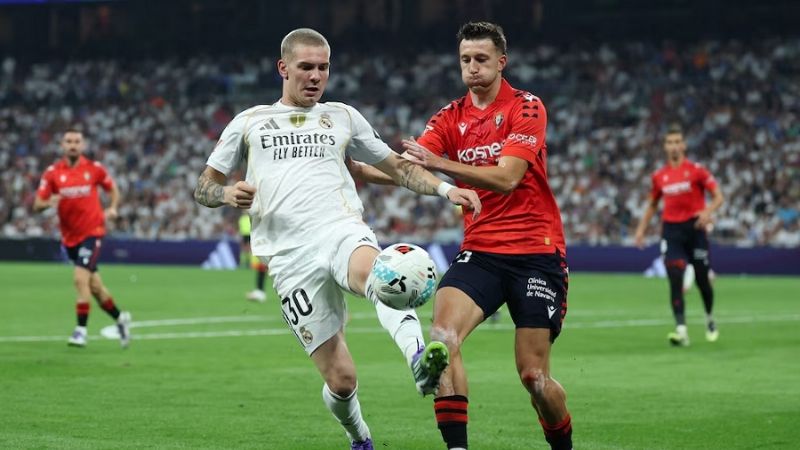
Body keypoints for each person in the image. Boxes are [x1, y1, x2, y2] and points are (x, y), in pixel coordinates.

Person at [193, 28, 482, 450]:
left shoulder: (342, 116)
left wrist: (444, 189)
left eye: (323, 67)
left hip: (340, 229)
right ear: (283, 68)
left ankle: (420, 359)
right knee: (342, 380)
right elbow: (203, 186)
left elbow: (398, 167)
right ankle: (359, 436)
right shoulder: (249, 123)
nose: (315, 76)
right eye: (306, 67)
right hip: (289, 258)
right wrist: (225, 193)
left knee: (384, 276)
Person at [401, 21, 573, 450]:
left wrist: (440, 163)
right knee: (442, 340)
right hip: (480, 252)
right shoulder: (449, 117)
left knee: (534, 377)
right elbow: (414, 165)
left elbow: (507, 178)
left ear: (501, 61)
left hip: (537, 253)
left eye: (481, 59)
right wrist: (359, 167)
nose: (472, 67)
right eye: (465, 60)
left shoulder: (526, 107)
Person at [33, 129, 132, 348]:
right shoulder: (52, 173)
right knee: (95, 288)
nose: (73, 145)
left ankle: (80, 331)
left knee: (80, 279)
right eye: (68, 141)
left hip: (93, 233)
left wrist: (113, 207)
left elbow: (112, 188)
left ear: (83, 145)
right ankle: (120, 318)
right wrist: (50, 202)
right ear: (62, 145)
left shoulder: (94, 169)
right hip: (70, 238)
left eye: (77, 141)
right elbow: (37, 204)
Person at [634, 124, 724, 346]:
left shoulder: (697, 170)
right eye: (669, 142)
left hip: (695, 230)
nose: (673, 146)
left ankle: (710, 317)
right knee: (675, 280)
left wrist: (707, 212)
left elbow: (718, 197)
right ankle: (681, 330)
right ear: (665, 147)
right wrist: (641, 229)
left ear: (683, 145)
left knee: (703, 280)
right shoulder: (659, 176)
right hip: (671, 231)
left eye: (677, 142)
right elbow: (653, 205)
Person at [239, 212, 268, 302]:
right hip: (258, 241)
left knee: (263, 267)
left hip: (262, 243)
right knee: (261, 268)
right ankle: (259, 291)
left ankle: (260, 292)